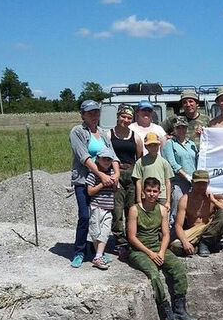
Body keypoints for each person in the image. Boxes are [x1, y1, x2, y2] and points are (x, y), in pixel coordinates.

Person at [127, 176, 195, 320]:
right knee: (153, 274)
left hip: (158, 246)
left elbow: (166, 235)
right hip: (140, 249)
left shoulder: (162, 210)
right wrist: (150, 253)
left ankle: (180, 307)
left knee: (177, 268)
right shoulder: (134, 210)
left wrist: (162, 252)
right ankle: (166, 310)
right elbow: (131, 237)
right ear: (144, 191)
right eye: (149, 191)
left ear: (159, 193)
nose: (152, 194)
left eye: (155, 191)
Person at [69, 100, 120, 268]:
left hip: (104, 183)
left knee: (100, 217)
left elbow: (113, 155)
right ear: (82, 114)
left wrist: (116, 174)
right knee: (85, 216)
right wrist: (100, 175)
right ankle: (79, 251)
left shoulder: (103, 134)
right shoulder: (77, 132)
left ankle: (97, 250)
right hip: (84, 180)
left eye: (96, 112)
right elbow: (83, 156)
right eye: (89, 113)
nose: (93, 116)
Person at [171, 170, 223, 257]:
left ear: (208, 183)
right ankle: (202, 247)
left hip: (210, 230)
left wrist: (214, 201)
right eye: (198, 183)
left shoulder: (214, 195)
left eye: (203, 183)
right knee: (176, 246)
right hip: (194, 231)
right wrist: (185, 242)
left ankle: (206, 242)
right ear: (192, 183)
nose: (201, 186)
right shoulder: (185, 199)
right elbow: (178, 225)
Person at [108, 104, 143, 255]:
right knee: (116, 210)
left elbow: (139, 158)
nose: (126, 120)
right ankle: (119, 241)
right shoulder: (109, 135)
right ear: (117, 117)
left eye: (129, 118)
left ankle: (131, 239)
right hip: (115, 174)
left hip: (131, 174)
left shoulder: (135, 136)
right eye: (123, 117)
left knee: (131, 209)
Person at [85, 147, 119, 270]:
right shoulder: (93, 174)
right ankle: (98, 255)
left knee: (105, 232)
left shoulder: (111, 173)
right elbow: (89, 191)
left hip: (108, 207)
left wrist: (114, 183)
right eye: (104, 158)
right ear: (98, 159)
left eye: (109, 159)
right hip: (96, 207)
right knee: (96, 231)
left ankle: (98, 255)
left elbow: (115, 190)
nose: (107, 161)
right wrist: (102, 184)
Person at [162, 116, 198, 227]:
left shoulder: (191, 143)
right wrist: (186, 175)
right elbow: (172, 163)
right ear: (175, 129)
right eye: (179, 128)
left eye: (184, 127)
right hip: (178, 181)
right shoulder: (170, 143)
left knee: (192, 208)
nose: (181, 130)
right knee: (177, 205)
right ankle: (174, 233)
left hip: (193, 181)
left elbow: (196, 160)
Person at [132, 132, 172, 212]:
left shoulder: (164, 162)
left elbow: (168, 182)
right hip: (146, 195)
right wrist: (139, 200)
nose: (153, 147)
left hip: (161, 196)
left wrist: (168, 201)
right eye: (150, 145)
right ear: (146, 147)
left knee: (162, 218)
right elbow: (138, 182)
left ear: (159, 145)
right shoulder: (140, 162)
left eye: (155, 145)